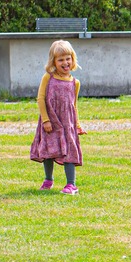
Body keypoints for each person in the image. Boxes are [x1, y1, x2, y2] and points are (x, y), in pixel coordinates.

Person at [30, 40, 85, 195]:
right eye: (60, 59)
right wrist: (46, 120)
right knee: (49, 149)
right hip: (51, 121)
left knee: (69, 151)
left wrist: (78, 124)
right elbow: (41, 99)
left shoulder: (75, 83)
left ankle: (71, 184)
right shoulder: (48, 78)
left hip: (68, 123)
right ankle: (48, 179)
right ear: (53, 62)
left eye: (68, 58)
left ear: (73, 59)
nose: (65, 62)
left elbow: (74, 105)